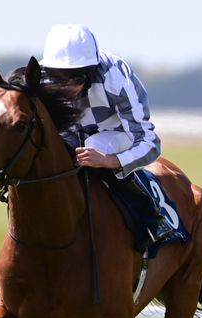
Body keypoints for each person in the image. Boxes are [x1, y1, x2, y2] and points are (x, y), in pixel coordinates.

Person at [39, 23, 174, 243]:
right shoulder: (41, 79)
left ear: (91, 71)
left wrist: (109, 161)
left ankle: (151, 219)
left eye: (75, 76)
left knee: (92, 147)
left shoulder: (116, 78)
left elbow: (150, 142)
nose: (66, 86)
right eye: (59, 76)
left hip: (117, 133)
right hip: (70, 133)